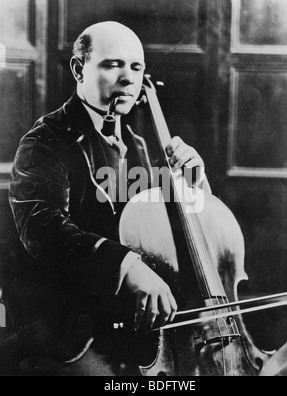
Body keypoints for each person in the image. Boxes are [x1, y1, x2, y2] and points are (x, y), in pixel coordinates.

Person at [6, 22, 210, 376]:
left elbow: (175, 233)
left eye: (137, 67)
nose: (129, 79)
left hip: (138, 325)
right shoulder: (44, 142)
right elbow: (42, 228)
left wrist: (196, 182)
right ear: (78, 68)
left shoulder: (141, 145)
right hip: (71, 327)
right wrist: (127, 266)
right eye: (113, 64)